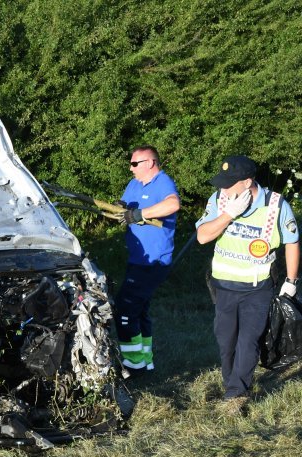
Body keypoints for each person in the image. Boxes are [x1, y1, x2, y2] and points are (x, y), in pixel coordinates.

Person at [196, 155, 299, 412]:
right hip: (224, 287)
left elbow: (292, 242)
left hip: (257, 288)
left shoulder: (275, 205)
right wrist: (228, 214)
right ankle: (232, 381)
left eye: (229, 184)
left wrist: (291, 281)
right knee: (225, 339)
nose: (223, 189)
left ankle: (235, 393)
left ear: (247, 182)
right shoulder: (219, 201)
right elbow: (202, 237)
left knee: (248, 340)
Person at [114, 145, 181, 372]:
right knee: (140, 309)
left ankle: (132, 365)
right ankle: (145, 361)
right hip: (137, 258)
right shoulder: (135, 183)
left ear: (150, 163)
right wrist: (120, 208)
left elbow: (173, 204)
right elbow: (126, 205)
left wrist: (141, 214)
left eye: (135, 164)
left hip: (154, 260)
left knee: (125, 308)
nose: (131, 168)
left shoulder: (162, 182)